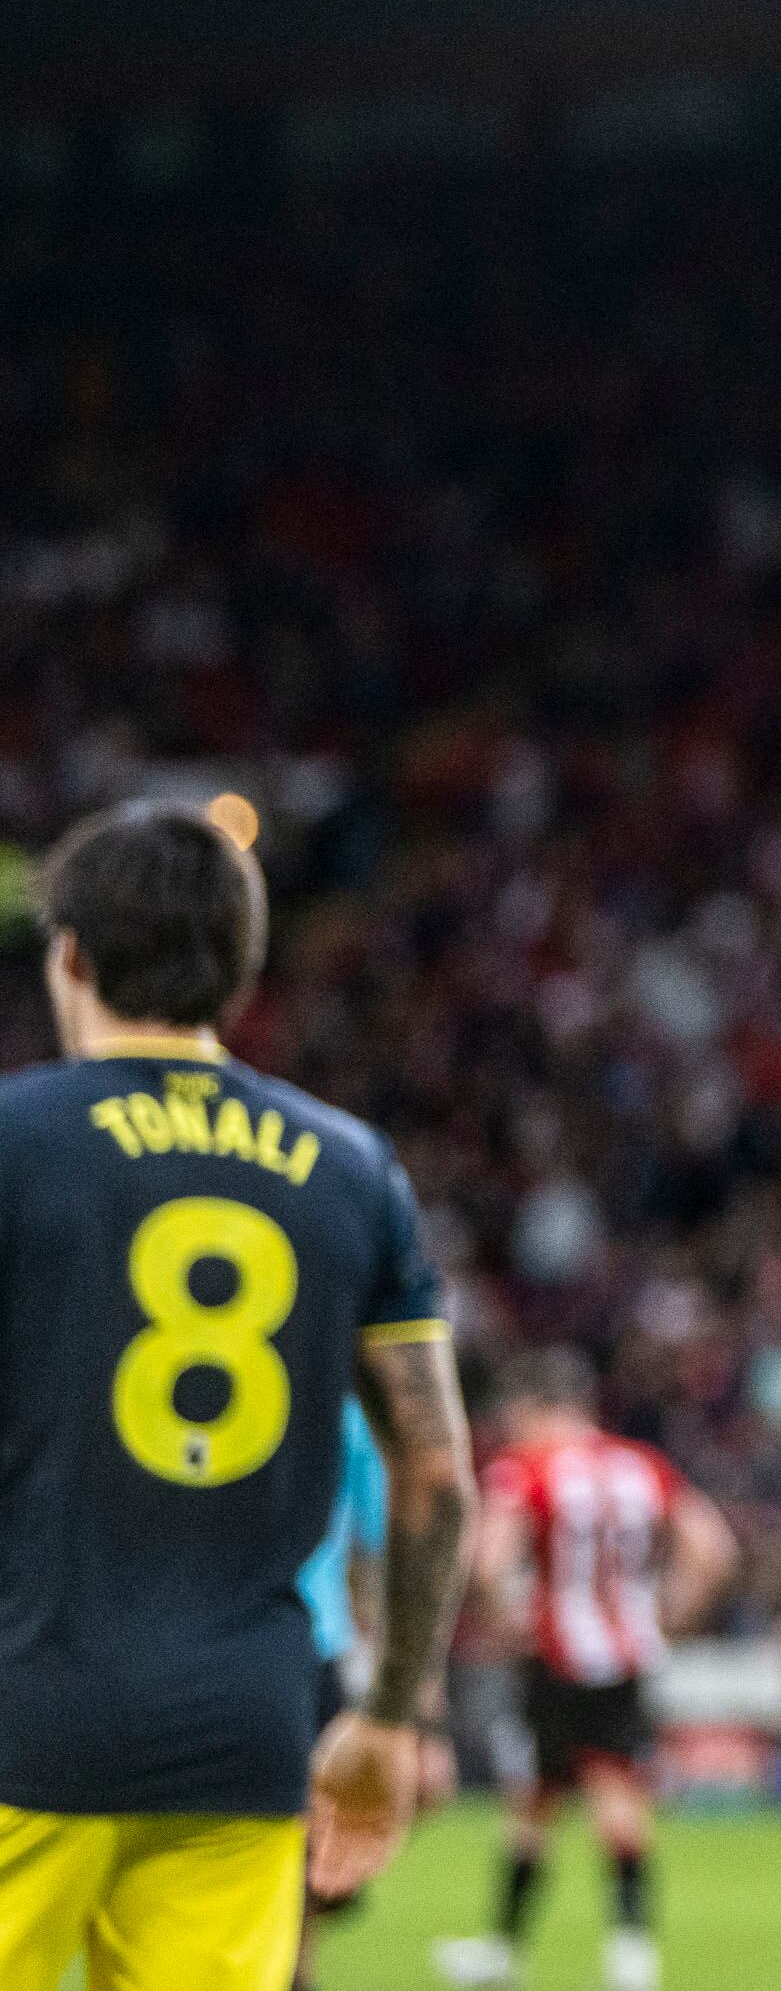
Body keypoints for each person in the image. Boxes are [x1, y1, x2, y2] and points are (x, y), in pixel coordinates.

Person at [0, 798, 471, 1991]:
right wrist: (395, 1716)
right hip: (244, 1737)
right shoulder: (351, 1169)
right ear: (242, 967)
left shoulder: (14, 1139)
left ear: (72, 956)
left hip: (22, 1714)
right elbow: (434, 1471)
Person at [433, 1352, 739, 1991]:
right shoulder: (639, 1464)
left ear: (537, 1408)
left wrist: (510, 1622)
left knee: (554, 1798)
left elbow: (489, 1562)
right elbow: (713, 1550)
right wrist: (668, 1614)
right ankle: (612, 1955)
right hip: (627, 1653)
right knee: (584, 1794)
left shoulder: (527, 1469)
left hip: (555, 1656)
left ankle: (526, 1954)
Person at [295, 1395, 393, 1991]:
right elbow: (378, 1542)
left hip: (176, 1644)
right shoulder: (341, 1407)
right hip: (310, 1646)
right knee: (306, 1852)